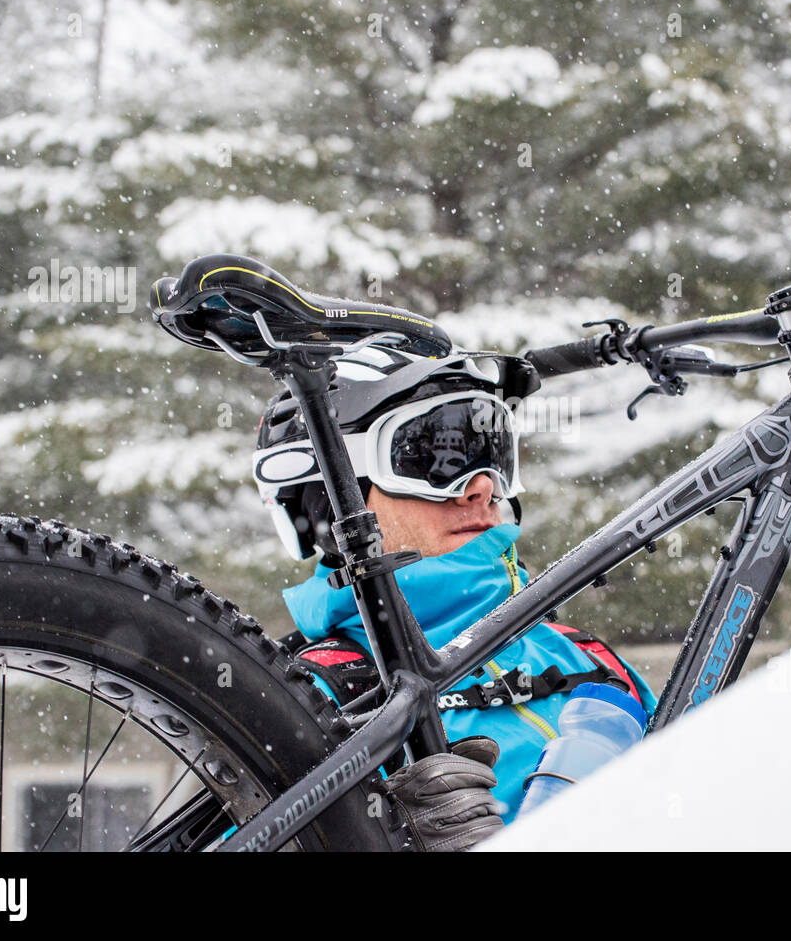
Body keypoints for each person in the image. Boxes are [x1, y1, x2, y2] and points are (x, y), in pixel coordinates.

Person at [253, 344, 657, 850]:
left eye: (491, 456)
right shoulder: (311, 695)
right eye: (434, 460)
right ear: (331, 501)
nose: (482, 487)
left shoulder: (586, 657)